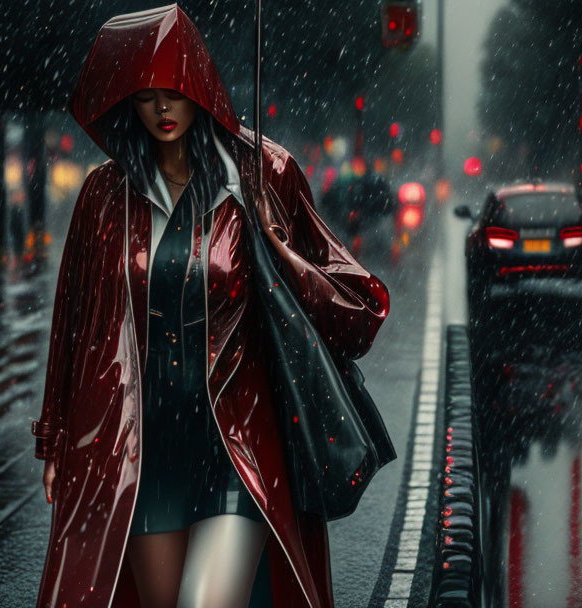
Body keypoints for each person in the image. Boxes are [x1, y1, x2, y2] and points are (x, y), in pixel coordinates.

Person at [31, 5, 389, 607]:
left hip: (236, 444)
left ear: (199, 85)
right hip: (139, 449)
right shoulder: (103, 195)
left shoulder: (262, 174)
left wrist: (278, 248)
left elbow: (359, 303)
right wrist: (57, 438)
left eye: (173, 91)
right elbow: (74, 325)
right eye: (145, 97)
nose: (162, 109)